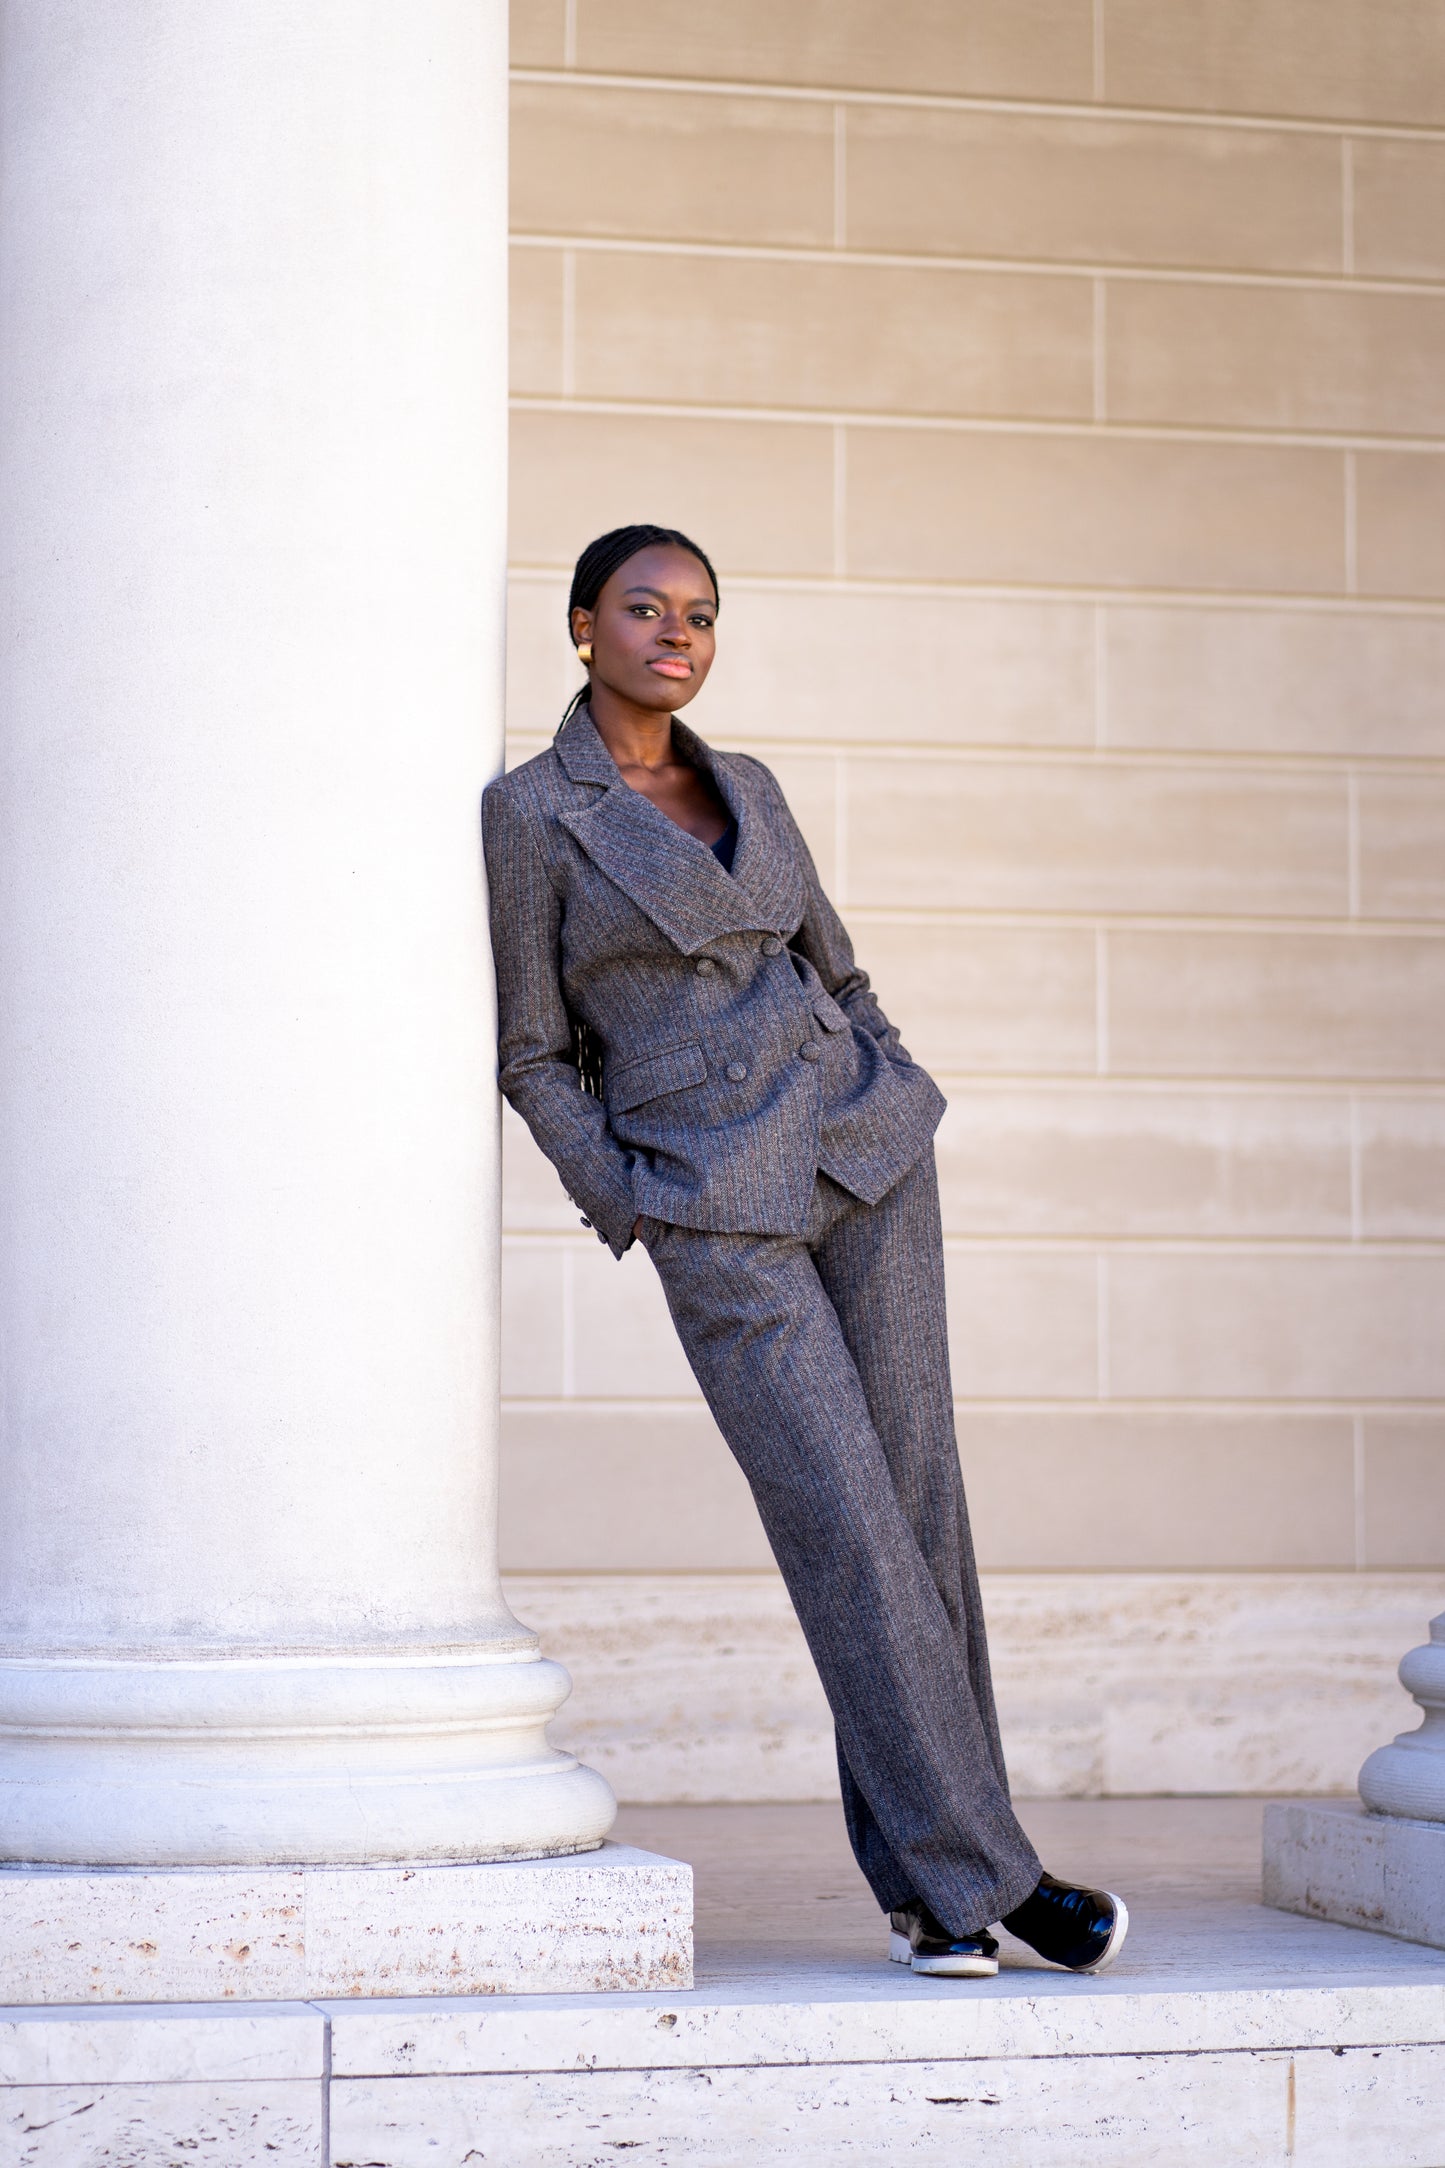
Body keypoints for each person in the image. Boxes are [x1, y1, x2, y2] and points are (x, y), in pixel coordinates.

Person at [483, 523, 1128, 1979]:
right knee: (842, 1523)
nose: (676, 635)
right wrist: (632, 1193)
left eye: (699, 614)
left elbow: (832, 964)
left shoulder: (750, 783)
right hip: (717, 1198)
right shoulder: (533, 814)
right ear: (582, 628)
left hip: (864, 1156)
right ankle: (998, 1875)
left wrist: (893, 1076)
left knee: (912, 1516)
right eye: (643, 609)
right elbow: (533, 1050)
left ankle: (924, 1893)